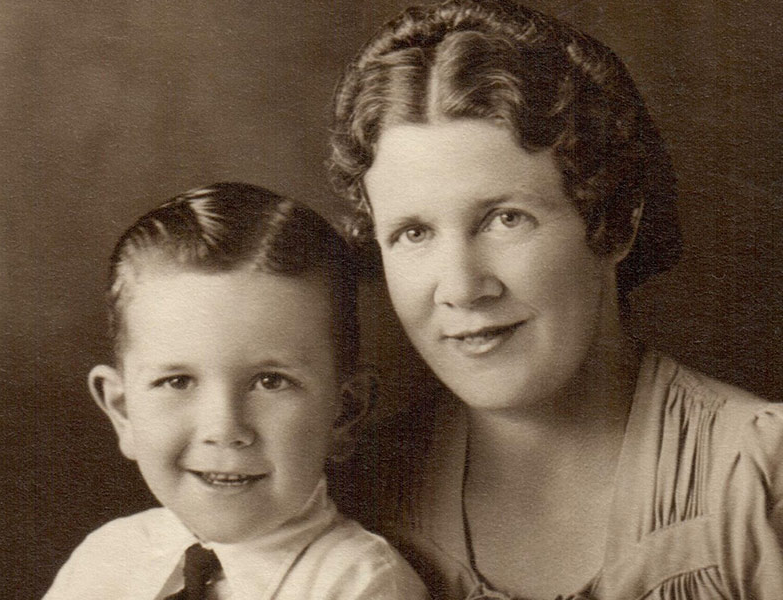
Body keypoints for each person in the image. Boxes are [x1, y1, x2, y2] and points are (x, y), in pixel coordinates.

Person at [328, 1, 783, 599]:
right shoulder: (355, 494)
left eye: (505, 219)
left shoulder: (758, 480)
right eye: (414, 233)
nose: (463, 288)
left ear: (614, 223)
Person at [43, 183, 428, 600]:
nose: (225, 428)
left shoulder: (359, 584)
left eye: (270, 381)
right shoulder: (105, 560)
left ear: (345, 412)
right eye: (177, 381)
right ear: (122, 410)